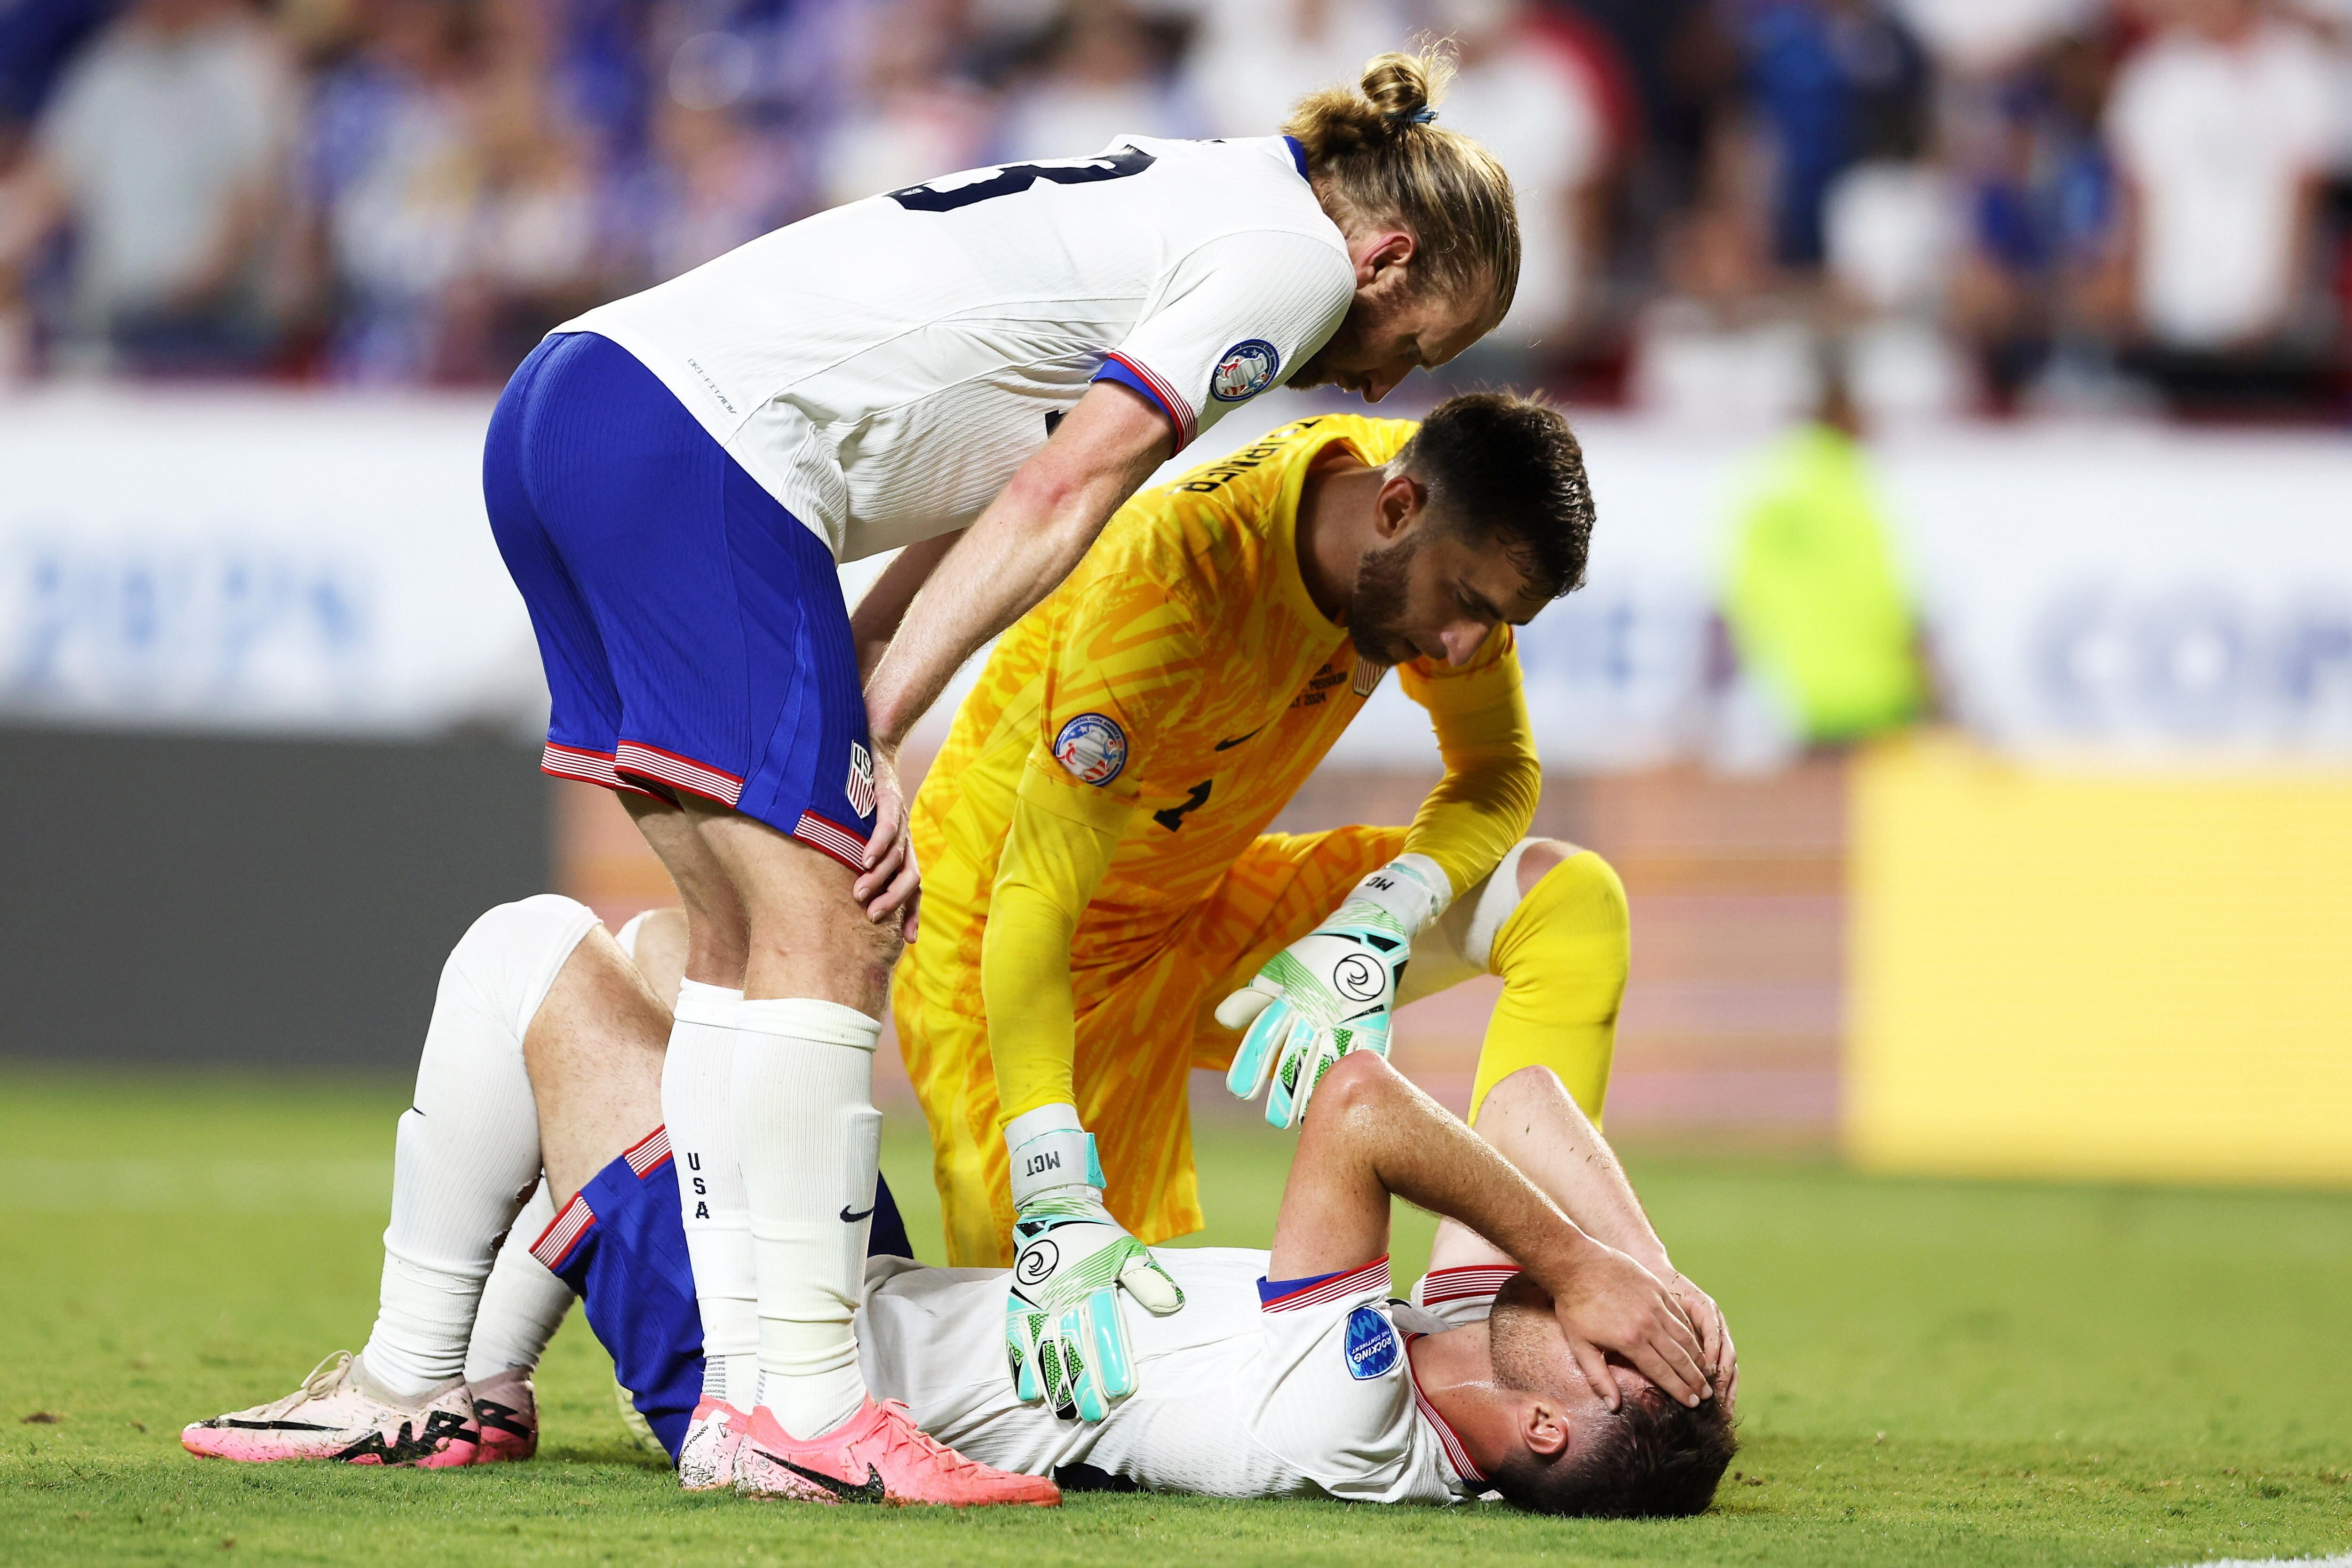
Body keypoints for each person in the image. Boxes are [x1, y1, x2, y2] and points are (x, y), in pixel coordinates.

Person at [481, 44, 1520, 1503]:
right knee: (833, 923)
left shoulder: (1202, 196)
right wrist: (876, 728)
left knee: (735, 930)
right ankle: (817, 1408)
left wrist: (858, 679)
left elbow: (991, 476)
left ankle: (744, 1401)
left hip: (577, 406)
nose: (1395, 376)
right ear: (1387, 250)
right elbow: (1059, 493)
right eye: (1420, 334)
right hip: (706, 444)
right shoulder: (1287, 272)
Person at [185, 894, 1738, 1515]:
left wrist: (1583, 1268)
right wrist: (1644, 1293)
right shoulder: (1467, 1351)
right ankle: (485, 1384)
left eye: (1617, 1361)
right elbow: (1532, 1111)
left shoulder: (1351, 1414)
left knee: (528, 955)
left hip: (769, 1372)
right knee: (678, 957)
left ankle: (411, 1385)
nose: (1591, 1314)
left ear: (1546, 1430)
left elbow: (1355, 1103)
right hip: (856, 1299)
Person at [888, 393, 1722, 1430]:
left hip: (1199, 902)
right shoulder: (1167, 581)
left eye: (1497, 622)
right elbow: (1033, 898)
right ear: (1396, 508)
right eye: (1464, 602)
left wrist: (1379, 915)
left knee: (1568, 901)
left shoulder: (1438, 513)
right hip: (1009, 954)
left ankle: (1483, 1299)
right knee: (1062, 1397)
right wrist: (1052, 1185)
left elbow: (1499, 770)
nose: (1463, 649)